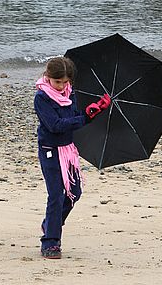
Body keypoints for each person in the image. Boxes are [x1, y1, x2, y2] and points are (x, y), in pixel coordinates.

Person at [34, 56, 111, 259]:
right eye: (58, 82)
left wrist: (93, 111)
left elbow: (75, 118)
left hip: (68, 150)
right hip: (50, 149)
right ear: (48, 77)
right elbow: (55, 125)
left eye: (66, 82)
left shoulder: (70, 93)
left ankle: (50, 224)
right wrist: (84, 117)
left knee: (74, 192)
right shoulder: (42, 98)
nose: (61, 86)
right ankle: (50, 242)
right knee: (56, 195)